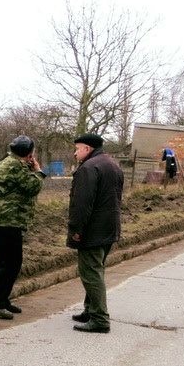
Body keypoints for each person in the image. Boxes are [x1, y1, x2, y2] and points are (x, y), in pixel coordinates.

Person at [0, 135, 46, 319]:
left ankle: (2, 299)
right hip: (6, 221)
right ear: (29, 153)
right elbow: (33, 186)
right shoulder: (15, 166)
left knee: (6, 262)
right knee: (12, 263)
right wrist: (38, 170)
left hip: (1, 220)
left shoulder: (5, 163)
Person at [67, 132, 125, 333]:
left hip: (93, 229)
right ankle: (90, 310)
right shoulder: (112, 164)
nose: (75, 153)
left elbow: (81, 205)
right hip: (110, 226)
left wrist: (76, 230)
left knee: (91, 272)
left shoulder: (89, 168)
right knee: (95, 269)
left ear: (87, 149)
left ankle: (100, 319)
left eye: (77, 148)